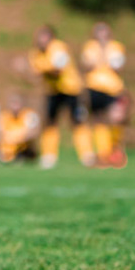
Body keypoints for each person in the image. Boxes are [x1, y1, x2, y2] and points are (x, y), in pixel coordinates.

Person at [28, 26, 89, 169]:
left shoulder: (60, 48)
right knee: (50, 122)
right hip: (52, 91)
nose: (41, 40)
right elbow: (33, 75)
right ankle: (49, 155)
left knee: (77, 121)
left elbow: (56, 70)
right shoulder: (35, 53)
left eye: (44, 37)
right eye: (39, 37)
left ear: (51, 38)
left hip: (71, 89)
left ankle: (86, 155)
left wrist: (42, 69)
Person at [79, 21, 127, 169]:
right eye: (99, 31)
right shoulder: (90, 47)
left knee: (116, 118)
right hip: (94, 87)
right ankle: (103, 154)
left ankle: (115, 149)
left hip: (113, 88)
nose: (101, 34)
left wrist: (104, 56)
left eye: (104, 31)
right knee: (98, 119)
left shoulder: (116, 47)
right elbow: (86, 65)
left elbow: (118, 66)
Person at [0, 93, 42, 164]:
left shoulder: (29, 115)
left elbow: (34, 132)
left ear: (22, 104)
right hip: (8, 146)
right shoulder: (4, 116)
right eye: (13, 103)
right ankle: (8, 156)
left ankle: (24, 155)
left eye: (17, 103)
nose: (15, 106)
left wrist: (17, 138)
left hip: (23, 145)